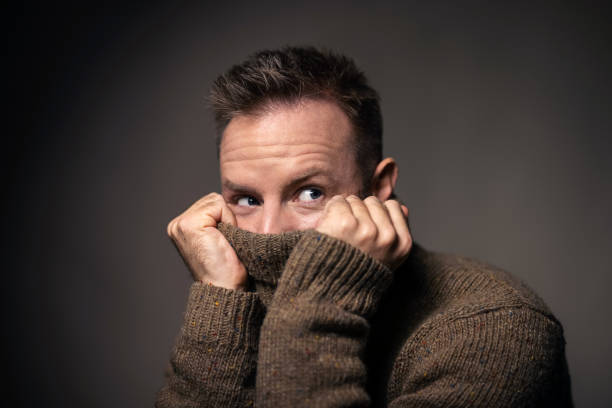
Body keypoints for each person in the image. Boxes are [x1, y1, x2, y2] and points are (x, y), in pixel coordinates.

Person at [155, 46, 572, 407]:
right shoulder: (238, 300)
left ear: (379, 187)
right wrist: (218, 302)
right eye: (247, 200)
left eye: (310, 193)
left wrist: (318, 304)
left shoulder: (495, 328)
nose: (266, 233)